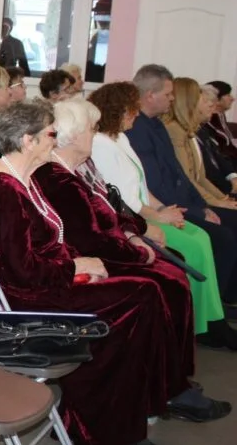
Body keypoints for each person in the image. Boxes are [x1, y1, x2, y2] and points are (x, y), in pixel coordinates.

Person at [0, 101, 229, 445]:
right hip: (31, 297)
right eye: (50, 133)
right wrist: (76, 266)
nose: (56, 139)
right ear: (28, 140)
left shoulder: (21, 178)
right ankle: (100, 423)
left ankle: (137, 406)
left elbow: (52, 243)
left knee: (146, 292)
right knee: (142, 295)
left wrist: (81, 264)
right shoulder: (4, 190)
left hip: (49, 282)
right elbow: (23, 271)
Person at [88, 81, 235, 347]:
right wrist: (156, 216)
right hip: (134, 220)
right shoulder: (101, 144)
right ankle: (200, 323)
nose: (136, 114)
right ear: (118, 110)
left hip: (146, 212)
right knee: (193, 245)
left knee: (201, 236)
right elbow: (122, 200)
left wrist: (162, 209)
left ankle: (210, 317)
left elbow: (142, 186)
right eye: (132, 109)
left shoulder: (120, 138)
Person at [128, 65, 237, 307]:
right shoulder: (137, 129)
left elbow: (181, 175)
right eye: (168, 94)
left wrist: (203, 206)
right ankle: (211, 306)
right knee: (223, 237)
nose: (172, 99)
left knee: (227, 229)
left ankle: (222, 302)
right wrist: (198, 210)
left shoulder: (156, 125)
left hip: (182, 203)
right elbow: (154, 184)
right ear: (150, 95)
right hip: (167, 207)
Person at [163, 77, 237, 212]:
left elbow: (200, 177)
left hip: (202, 195)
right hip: (189, 201)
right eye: (201, 99)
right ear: (188, 102)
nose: (212, 107)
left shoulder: (190, 129)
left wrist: (222, 198)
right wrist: (217, 201)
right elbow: (188, 178)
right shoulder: (175, 129)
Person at [198, 85, 237, 195]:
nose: (213, 110)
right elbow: (204, 171)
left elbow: (217, 155)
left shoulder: (202, 129)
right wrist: (225, 194)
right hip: (215, 189)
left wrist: (232, 176)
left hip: (224, 180)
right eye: (211, 106)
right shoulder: (185, 131)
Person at [205, 80, 236, 160]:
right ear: (217, 99)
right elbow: (222, 149)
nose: (233, 98)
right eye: (228, 95)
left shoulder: (220, 115)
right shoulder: (208, 121)